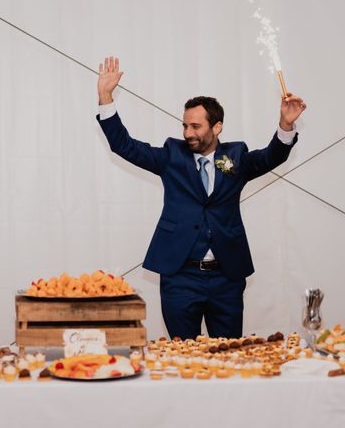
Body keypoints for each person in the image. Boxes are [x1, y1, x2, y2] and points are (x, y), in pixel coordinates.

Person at [96, 56, 307, 339]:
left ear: (216, 127)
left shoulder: (236, 156)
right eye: (185, 125)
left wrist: (285, 125)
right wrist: (105, 97)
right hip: (180, 277)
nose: (187, 133)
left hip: (226, 278)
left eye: (195, 126)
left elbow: (272, 156)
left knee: (228, 356)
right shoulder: (172, 155)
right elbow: (125, 146)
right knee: (183, 359)